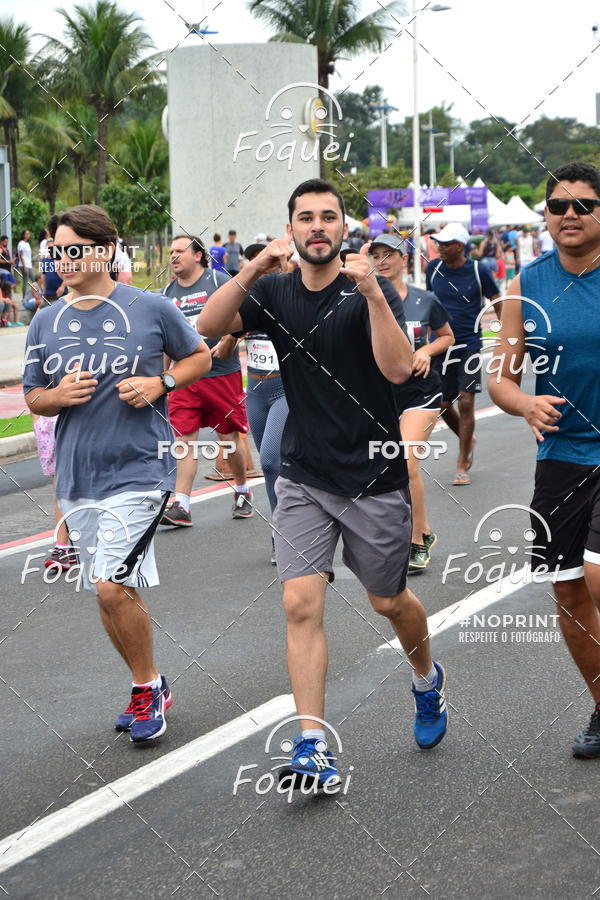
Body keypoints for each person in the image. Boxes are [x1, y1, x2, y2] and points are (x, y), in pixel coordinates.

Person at [199, 178, 449, 789]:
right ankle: (313, 743)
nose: (317, 226)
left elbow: (395, 369)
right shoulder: (277, 291)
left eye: (328, 217)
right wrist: (255, 266)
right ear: (291, 230)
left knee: (388, 602)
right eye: (305, 217)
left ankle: (426, 680)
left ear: (344, 229)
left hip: (372, 478)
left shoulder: (367, 289)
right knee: (298, 603)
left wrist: (373, 294)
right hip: (305, 474)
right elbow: (210, 324)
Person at [22, 204, 211, 743]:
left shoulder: (149, 308)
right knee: (107, 590)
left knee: (110, 585)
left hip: (142, 470)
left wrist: (162, 385)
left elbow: (198, 356)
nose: (64, 259)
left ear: (106, 250)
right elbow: (33, 395)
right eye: (57, 251)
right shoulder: (44, 320)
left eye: (74, 248)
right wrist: (55, 397)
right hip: (79, 477)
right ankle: (145, 681)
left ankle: (148, 688)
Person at [488, 161, 600, 759]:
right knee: (568, 593)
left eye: (583, 204)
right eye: (559, 207)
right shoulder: (525, 285)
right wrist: (525, 404)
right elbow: (501, 381)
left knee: (598, 573)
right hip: (561, 458)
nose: (570, 216)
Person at [371, 233, 454, 571]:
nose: (383, 260)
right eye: (376, 254)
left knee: (405, 464)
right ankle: (422, 530)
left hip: (422, 392)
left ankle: (416, 541)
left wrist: (425, 350)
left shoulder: (425, 300)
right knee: (386, 467)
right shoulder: (365, 301)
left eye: (390, 254)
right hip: (381, 395)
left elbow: (448, 336)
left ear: (404, 259)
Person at [160, 234, 254, 526]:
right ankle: (182, 505)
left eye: (180, 251)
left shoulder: (217, 281)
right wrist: (162, 379)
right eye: (171, 251)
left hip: (220, 373)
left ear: (198, 255)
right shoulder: (167, 292)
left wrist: (229, 338)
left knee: (228, 437)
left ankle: (241, 490)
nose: (174, 256)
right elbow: (164, 339)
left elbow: (245, 312)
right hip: (184, 377)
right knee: (184, 439)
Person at [426, 223, 501, 486]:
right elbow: (430, 304)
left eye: (445, 244)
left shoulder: (480, 271)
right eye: (438, 243)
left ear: (459, 246)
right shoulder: (432, 269)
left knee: (466, 401)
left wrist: (506, 337)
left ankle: (461, 463)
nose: (439, 247)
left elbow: (497, 300)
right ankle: (468, 438)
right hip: (441, 345)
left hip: (469, 344)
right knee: (442, 405)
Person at [243, 241, 289, 565]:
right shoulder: (247, 300)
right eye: (256, 266)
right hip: (256, 391)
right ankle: (282, 530)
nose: (261, 272)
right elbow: (216, 325)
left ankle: (286, 533)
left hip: (286, 390)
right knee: (271, 468)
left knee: (272, 460)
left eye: (268, 266)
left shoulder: (290, 295)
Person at [17, 229, 33, 298]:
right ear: (23, 235)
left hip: (29, 265)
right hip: (24, 265)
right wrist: (24, 266)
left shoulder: (27, 243)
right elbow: (21, 255)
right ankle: (24, 298)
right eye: (26, 234)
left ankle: (32, 296)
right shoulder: (21, 243)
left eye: (28, 234)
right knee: (25, 281)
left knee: (34, 280)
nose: (28, 235)